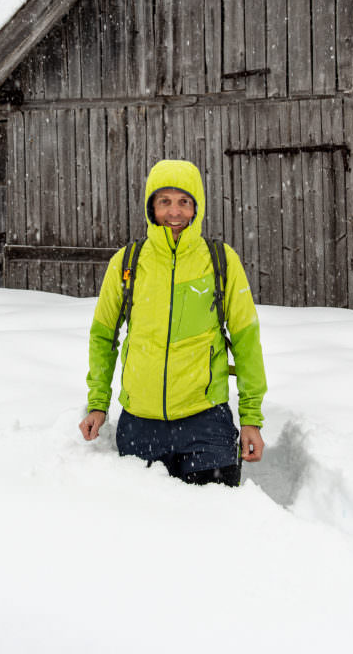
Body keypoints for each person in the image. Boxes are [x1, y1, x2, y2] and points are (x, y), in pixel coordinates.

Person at [79, 159, 267, 486]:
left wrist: (251, 419)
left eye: (184, 202)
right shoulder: (128, 261)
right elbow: (103, 336)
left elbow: (246, 339)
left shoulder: (221, 260)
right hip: (140, 424)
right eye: (164, 201)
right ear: (151, 207)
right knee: (144, 525)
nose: (174, 212)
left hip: (205, 423)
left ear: (197, 207)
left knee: (218, 521)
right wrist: (98, 403)